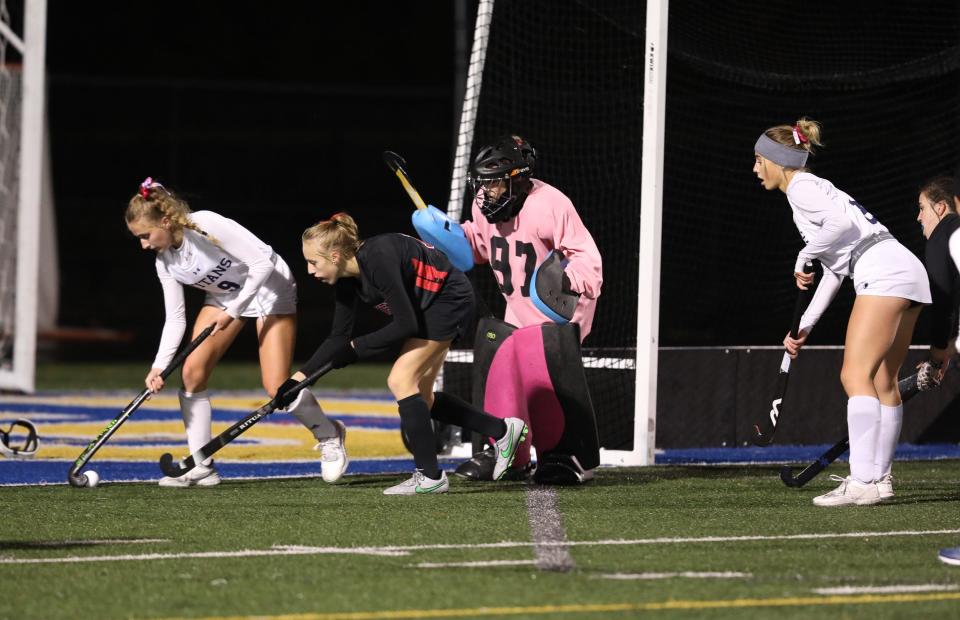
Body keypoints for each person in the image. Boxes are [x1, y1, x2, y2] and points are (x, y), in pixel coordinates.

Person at [273, 212, 527, 495]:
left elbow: (406, 324)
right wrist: (296, 382)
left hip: (448, 301)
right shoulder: (347, 279)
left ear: (334, 256)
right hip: (429, 308)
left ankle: (429, 476)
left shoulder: (379, 259)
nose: (310, 271)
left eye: (313, 262)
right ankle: (504, 431)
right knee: (423, 396)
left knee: (400, 380)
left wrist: (357, 348)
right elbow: (338, 337)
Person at [753, 118, 931, 507]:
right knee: (884, 381)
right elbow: (835, 270)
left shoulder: (800, 187)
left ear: (777, 160)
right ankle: (879, 481)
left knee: (855, 375)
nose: (755, 168)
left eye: (759, 160)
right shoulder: (815, 188)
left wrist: (804, 254)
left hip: (882, 270)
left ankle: (862, 480)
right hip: (905, 269)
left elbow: (838, 224)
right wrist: (805, 326)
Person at [125, 178, 347, 487]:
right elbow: (175, 318)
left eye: (146, 236)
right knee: (191, 372)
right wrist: (159, 366)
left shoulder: (204, 224)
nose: (144, 245)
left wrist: (232, 313)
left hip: (270, 287)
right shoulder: (165, 262)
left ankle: (329, 435)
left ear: (165, 221)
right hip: (226, 296)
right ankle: (200, 464)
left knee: (276, 387)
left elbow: (260, 263)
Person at [453, 134, 603, 483]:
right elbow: (479, 245)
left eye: (493, 183)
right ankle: (507, 453)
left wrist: (567, 285)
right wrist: (447, 238)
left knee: (546, 385)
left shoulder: (551, 203)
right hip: (515, 312)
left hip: (556, 317)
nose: (485, 192)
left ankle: (564, 455)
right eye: (483, 183)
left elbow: (587, 257)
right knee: (503, 377)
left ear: (517, 179)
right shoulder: (484, 207)